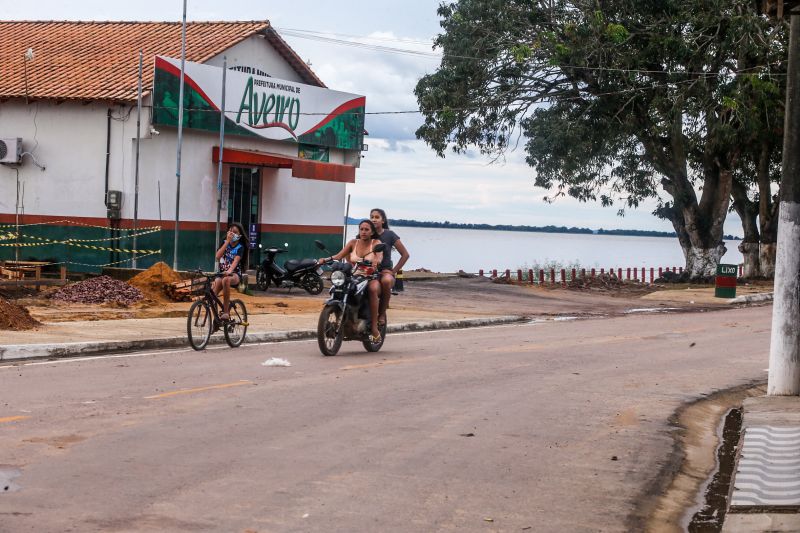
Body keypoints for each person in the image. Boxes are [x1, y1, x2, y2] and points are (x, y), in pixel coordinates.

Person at [319, 219, 384, 342]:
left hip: (370, 276)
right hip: (354, 275)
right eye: (361, 229)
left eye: (366, 230)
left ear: (372, 232)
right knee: (340, 287)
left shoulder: (376, 243)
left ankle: (374, 328)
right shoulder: (353, 243)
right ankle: (346, 317)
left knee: (373, 289)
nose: (363, 232)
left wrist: (376, 261)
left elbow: (379, 256)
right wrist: (324, 260)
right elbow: (338, 256)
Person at [369, 208, 410, 328]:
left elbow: (405, 255)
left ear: (383, 220)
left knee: (386, 281)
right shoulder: (366, 233)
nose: (374, 219)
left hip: (385, 270)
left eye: (377, 217)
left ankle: (382, 313)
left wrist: (393, 271)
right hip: (368, 270)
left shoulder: (389, 235)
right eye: (372, 217)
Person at [214, 222, 249, 321]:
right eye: (230, 231)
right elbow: (217, 256)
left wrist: (229, 271)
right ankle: (216, 320)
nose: (231, 233)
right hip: (222, 273)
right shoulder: (225, 242)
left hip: (234, 274)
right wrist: (227, 242)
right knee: (213, 292)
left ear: (239, 235)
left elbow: (236, 261)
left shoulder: (240, 247)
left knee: (226, 280)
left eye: (235, 232)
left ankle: (226, 312)